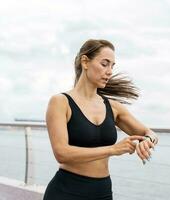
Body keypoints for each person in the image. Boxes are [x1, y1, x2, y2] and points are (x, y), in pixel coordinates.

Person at [43, 39, 159, 200]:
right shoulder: (60, 102)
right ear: (85, 62)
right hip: (66, 191)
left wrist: (147, 140)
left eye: (112, 66)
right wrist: (114, 149)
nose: (110, 71)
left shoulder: (113, 107)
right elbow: (62, 153)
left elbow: (150, 133)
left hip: (102, 192)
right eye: (105, 64)